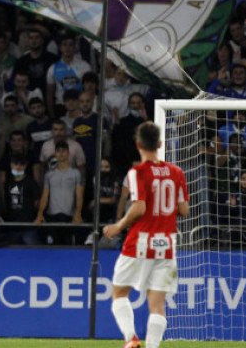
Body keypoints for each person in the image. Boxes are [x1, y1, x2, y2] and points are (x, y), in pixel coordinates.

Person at [103, 122, 189, 348]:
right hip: (167, 243)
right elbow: (183, 210)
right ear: (160, 144)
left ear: (138, 145)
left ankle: (131, 339)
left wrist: (119, 225)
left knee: (119, 294)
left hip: (141, 241)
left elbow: (139, 207)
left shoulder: (137, 172)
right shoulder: (177, 172)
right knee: (158, 305)